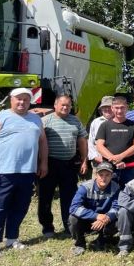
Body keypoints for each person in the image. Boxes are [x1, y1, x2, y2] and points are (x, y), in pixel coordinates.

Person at [0, 87, 48, 259]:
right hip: (3, 171)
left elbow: (42, 141)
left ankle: (12, 238)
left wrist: (43, 162)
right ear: (11, 99)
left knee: (20, 207)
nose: (22, 102)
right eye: (18, 99)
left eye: (26, 99)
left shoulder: (35, 120)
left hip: (27, 171)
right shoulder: (0, 117)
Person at [38, 94, 89, 237]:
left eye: (68, 105)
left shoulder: (75, 121)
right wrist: (41, 163)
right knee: (45, 197)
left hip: (69, 164)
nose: (65, 107)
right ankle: (47, 227)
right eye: (62, 104)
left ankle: (69, 226)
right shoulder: (45, 121)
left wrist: (84, 160)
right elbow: (38, 143)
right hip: (50, 163)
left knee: (70, 197)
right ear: (55, 105)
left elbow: (82, 142)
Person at [68, 162, 120, 255]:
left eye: (107, 175)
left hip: (105, 221)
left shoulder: (116, 188)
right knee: (73, 218)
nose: (104, 178)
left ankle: (102, 239)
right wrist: (96, 216)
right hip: (88, 220)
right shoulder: (85, 187)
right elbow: (74, 208)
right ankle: (80, 244)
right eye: (101, 175)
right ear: (96, 175)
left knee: (119, 219)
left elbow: (117, 207)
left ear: (112, 176)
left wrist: (107, 217)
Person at [95, 96, 134, 187]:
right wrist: (115, 160)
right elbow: (99, 146)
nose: (119, 111)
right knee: (109, 195)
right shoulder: (104, 125)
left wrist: (121, 156)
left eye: (122, 107)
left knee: (128, 194)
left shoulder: (133, 125)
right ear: (112, 108)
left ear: (127, 108)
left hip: (128, 167)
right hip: (108, 168)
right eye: (116, 108)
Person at [88, 95, 114, 167]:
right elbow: (91, 141)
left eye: (109, 107)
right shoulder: (96, 122)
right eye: (104, 107)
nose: (107, 109)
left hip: (117, 161)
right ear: (101, 109)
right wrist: (95, 157)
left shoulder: (120, 121)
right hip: (99, 161)